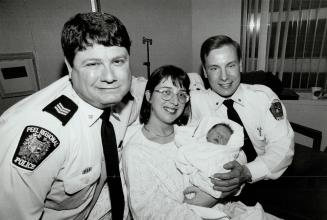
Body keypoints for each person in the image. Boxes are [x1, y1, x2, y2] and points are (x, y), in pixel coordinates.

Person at [0, 12, 145, 220]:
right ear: (70, 67)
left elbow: (148, 87)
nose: (110, 77)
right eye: (92, 64)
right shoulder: (42, 134)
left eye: (118, 61)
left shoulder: (123, 99)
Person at [191, 35, 295, 202]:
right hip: (223, 191)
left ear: (240, 64)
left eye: (230, 65)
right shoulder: (195, 103)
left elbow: (282, 146)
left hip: (271, 178)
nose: (224, 77)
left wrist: (248, 171)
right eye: (214, 68)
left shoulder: (264, 97)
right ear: (204, 71)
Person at [175, 116, 244, 200]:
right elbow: (184, 151)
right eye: (217, 133)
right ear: (208, 133)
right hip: (193, 172)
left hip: (211, 178)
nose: (220, 137)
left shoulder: (223, 152)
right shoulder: (197, 144)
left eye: (224, 138)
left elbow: (225, 164)